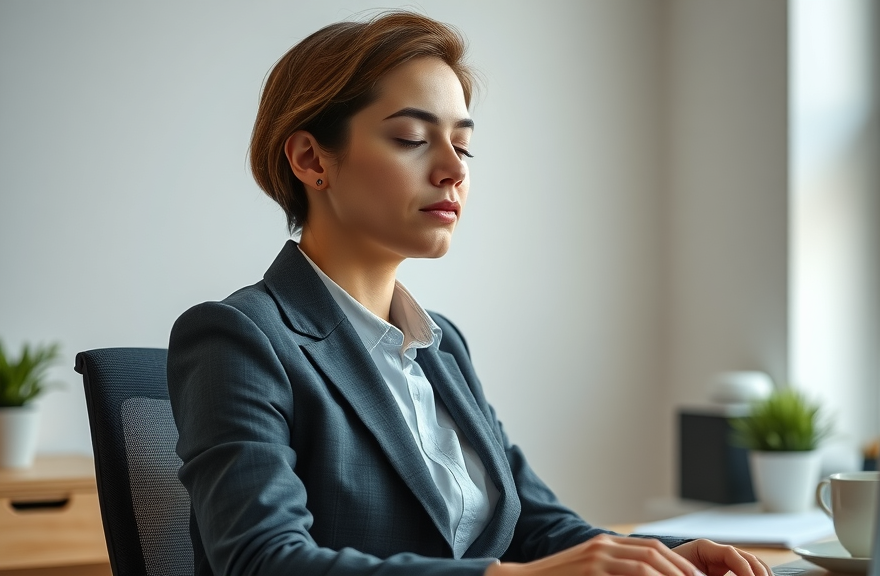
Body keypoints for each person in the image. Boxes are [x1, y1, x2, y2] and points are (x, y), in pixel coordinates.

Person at [167, 11, 773, 576]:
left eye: (462, 145)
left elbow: (536, 526)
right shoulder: (239, 338)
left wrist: (668, 557)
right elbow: (265, 560)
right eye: (412, 138)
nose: (454, 170)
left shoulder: (441, 345)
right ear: (310, 159)